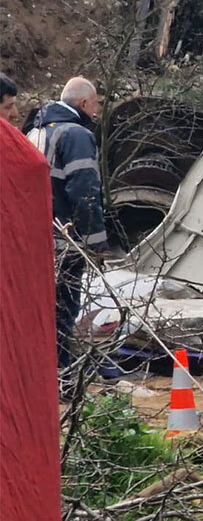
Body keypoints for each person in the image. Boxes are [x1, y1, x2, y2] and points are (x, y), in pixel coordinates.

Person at [27, 77, 109, 369]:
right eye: (96, 104)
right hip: (65, 243)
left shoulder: (35, 131)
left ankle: (41, 371)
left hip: (33, 241)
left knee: (39, 312)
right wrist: (96, 243)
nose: (97, 111)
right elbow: (84, 191)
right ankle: (60, 375)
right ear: (85, 103)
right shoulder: (76, 135)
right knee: (63, 311)